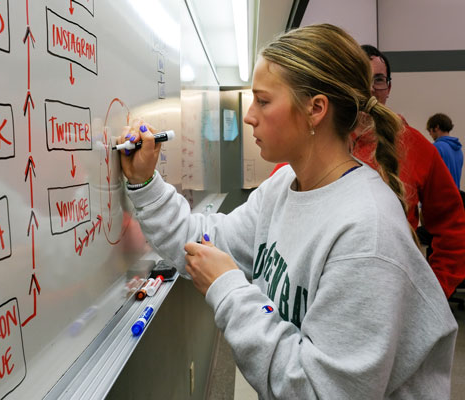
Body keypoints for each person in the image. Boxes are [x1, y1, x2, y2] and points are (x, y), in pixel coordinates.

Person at [117, 24, 456, 399]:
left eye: (263, 101)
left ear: (315, 109)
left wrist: (229, 290)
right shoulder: (283, 187)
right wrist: (146, 183)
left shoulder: (365, 232)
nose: (249, 116)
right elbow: (204, 243)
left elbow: (320, 391)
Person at [352, 45, 465, 298]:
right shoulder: (321, 142)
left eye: (378, 80)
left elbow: (453, 227)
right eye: (360, 78)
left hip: (393, 295)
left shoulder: (417, 147)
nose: (370, 88)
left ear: (388, 88)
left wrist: (433, 293)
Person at [426, 113, 463, 188]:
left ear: (436, 127)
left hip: (440, 197)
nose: (429, 133)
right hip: (456, 196)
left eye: (429, 130)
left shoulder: (436, 147)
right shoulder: (459, 150)